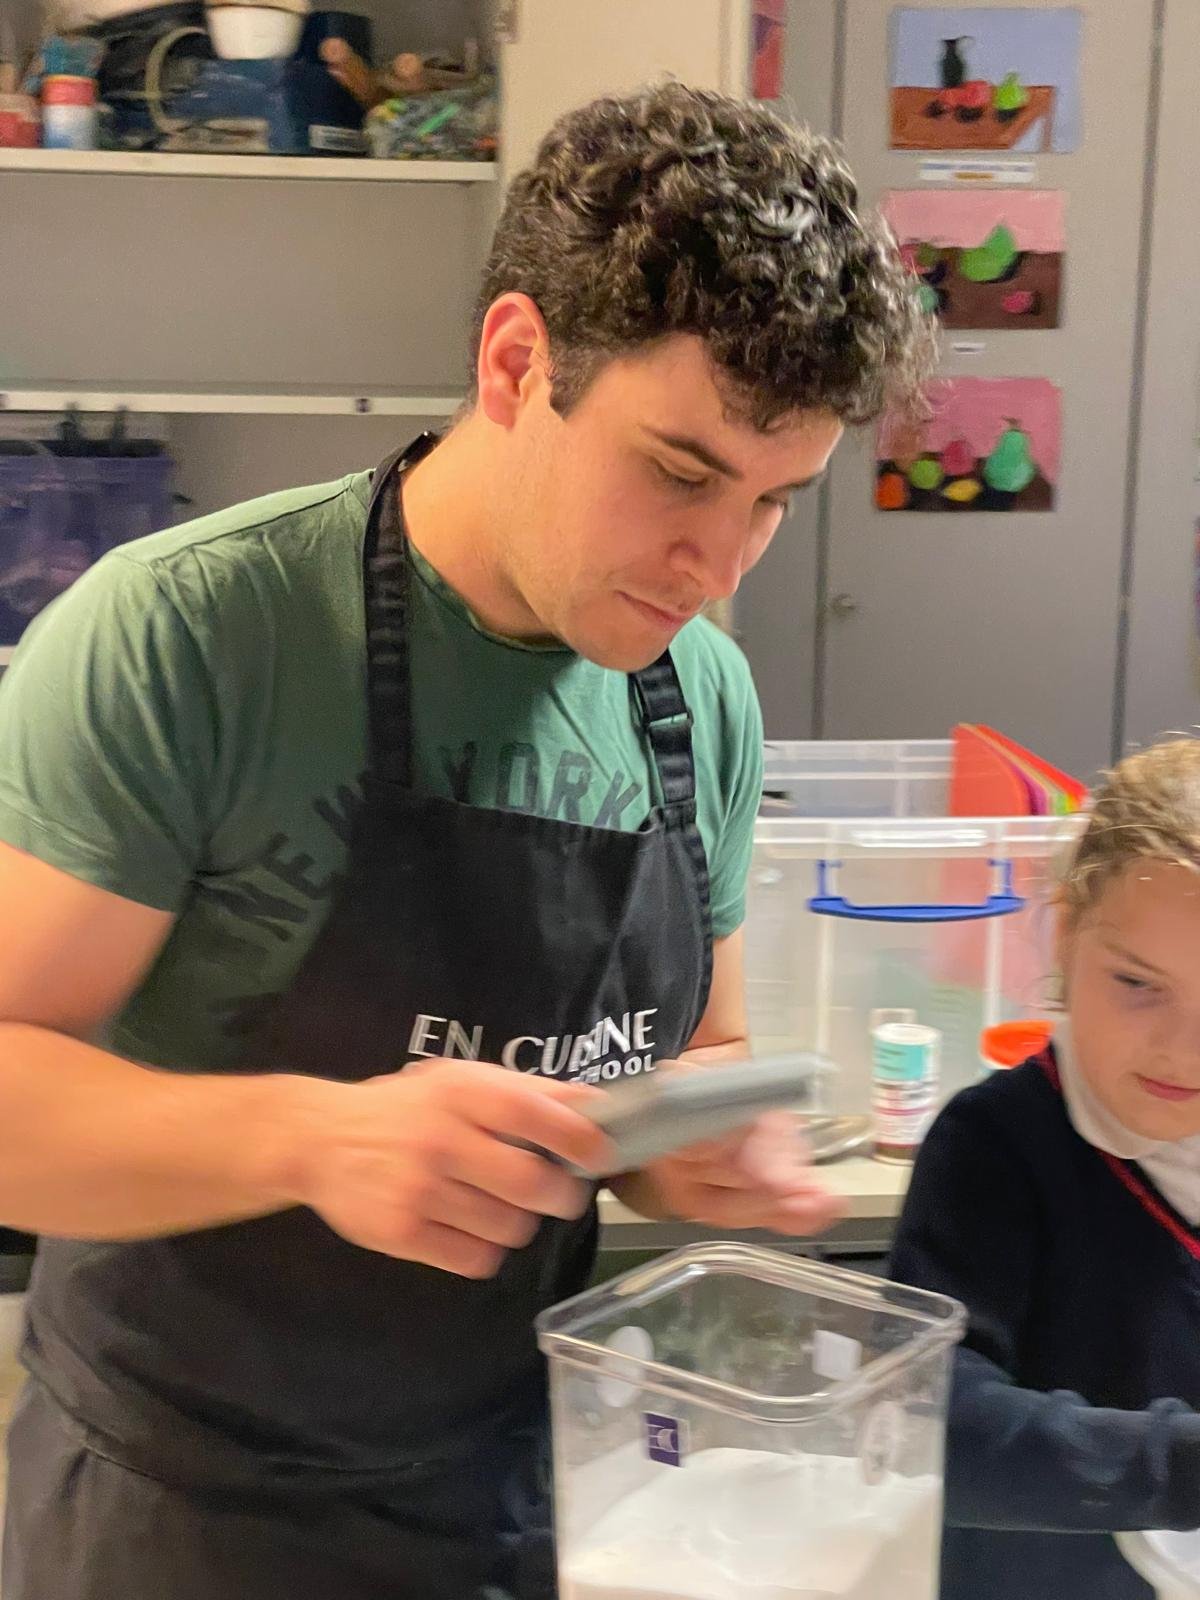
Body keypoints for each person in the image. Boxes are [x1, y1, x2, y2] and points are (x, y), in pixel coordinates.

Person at [0, 82, 931, 1600]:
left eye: (777, 502)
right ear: (517, 362)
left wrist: (708, 1153)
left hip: (528, 1487)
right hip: (192, 1513)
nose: (719, 568)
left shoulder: (700, 698)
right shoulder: (193, 635)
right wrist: (316, 1137)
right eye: (681, 473)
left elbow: (696, 1054)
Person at [890, 737, 1200, 1600]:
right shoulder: (996, 1145)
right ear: (1065, 933)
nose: (1181, 1050)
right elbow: (933, 1419)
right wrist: (1179, 1469)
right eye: (1138, 984)